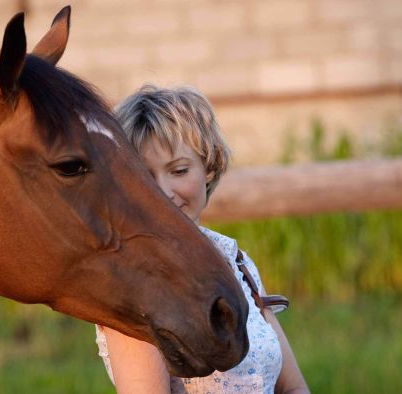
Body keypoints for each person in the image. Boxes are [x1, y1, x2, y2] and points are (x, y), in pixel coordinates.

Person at [95, 85, 309, 394]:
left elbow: (292, 388)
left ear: (208, 166)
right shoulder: (133, 285)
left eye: (179, 171)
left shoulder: (235, 261)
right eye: (144, 176)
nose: (163, 192)